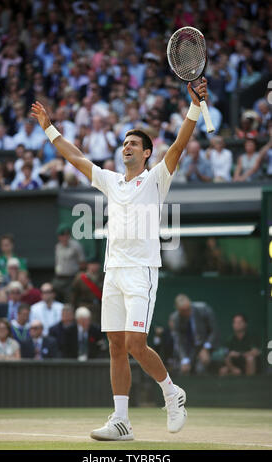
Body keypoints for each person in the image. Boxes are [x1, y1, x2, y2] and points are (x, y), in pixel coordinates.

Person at [31, 77, 208, 441]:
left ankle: (172, 394)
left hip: (141, 272)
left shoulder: (158, 178)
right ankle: (122, 420)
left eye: (134, 144)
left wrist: (193, 106)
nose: (126, 147)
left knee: (134, 344)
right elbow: (76, 155)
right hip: (113, 272)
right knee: (115, 344)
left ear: (146, 153)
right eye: (124, 143)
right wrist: (49, 128)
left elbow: (179, 144)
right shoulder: (112, 181)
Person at [171, 294, 219, 375]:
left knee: (200, 368)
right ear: (178, 310)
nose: (187, 312)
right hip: (190, 348)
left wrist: (206, 348)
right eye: (183, 310)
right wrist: (184, 360)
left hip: (207, 345)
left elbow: (214, 331)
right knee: (181, 370)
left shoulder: (204, 309)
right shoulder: (176, 318)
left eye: (188, 309)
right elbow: (179, 341)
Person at [52, 223, 86, 303]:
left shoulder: (76, 245)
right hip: (58, 278)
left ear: (69, 235)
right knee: (54, 297)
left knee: (70, 301)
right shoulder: (58, 246)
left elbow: (82, 263)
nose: (64, 237)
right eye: (62, 235)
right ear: (59, 237)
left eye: (66, 235)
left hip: (71, 278)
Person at [71, 258, 104, 324]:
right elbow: (74, 294)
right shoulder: (80, 278)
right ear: (88, 265)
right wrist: (74, 307)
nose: (94, 266)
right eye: (92, 264)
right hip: (85, 305)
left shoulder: (102, 277)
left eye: (96, 264)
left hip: (98, 307)